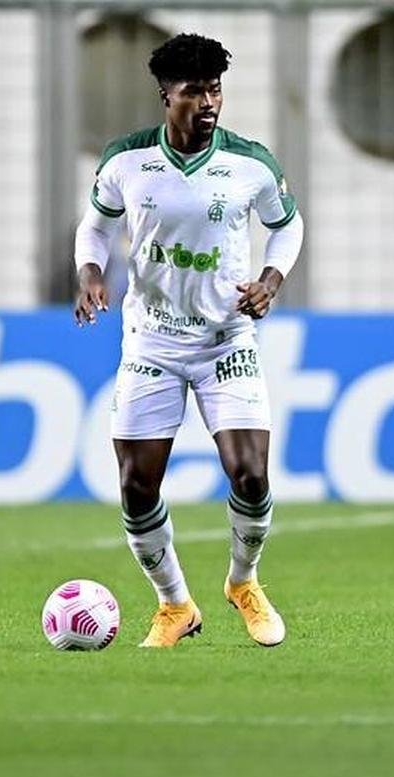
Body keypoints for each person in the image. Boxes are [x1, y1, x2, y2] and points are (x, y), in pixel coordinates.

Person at [72, 33, 305, 648]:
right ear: (165, 96)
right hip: (150, 342)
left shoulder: (251, 164)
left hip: (226, 339)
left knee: (249, 472)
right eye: (194, 91)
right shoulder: (126, 161)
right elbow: (94, 229)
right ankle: (175, 605)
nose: (208, 102)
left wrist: (272, 280)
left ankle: (243, 582)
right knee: (136, 484)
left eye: (215, 89)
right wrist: (89, 272)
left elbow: (288, 226)